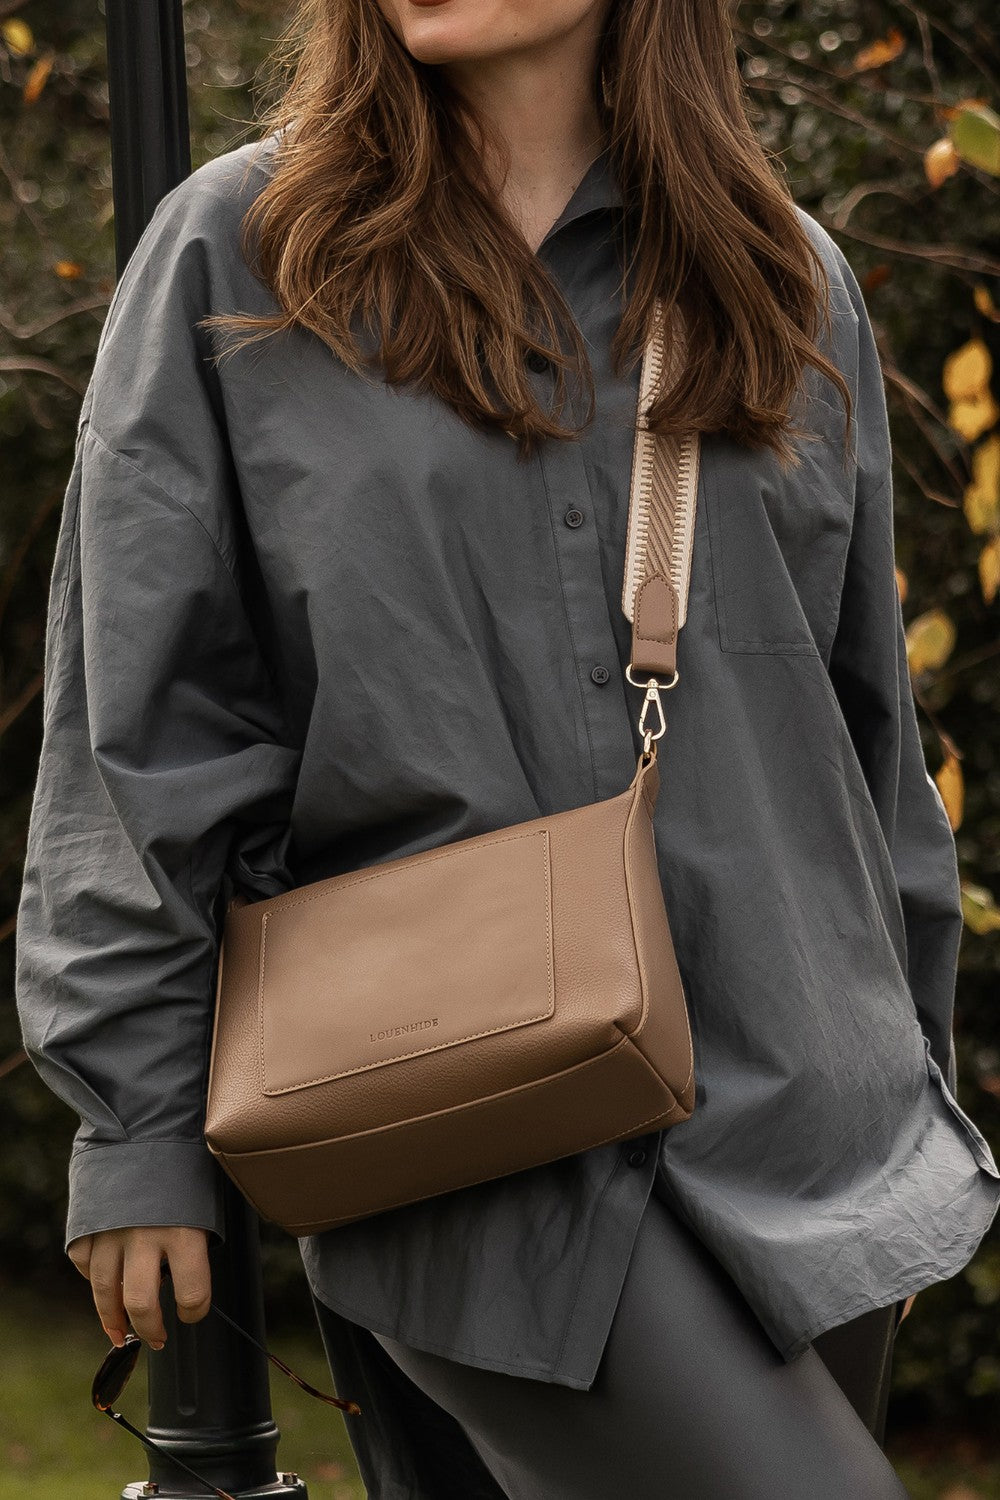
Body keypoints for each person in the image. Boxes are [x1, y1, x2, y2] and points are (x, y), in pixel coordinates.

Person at [14, 0, 1000, 1495]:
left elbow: (864, 740)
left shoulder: (787, 275)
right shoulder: (242, 253)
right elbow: (140, 726)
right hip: (460, 1126)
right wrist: (137, 1128)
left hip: (813, 1124)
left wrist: (915, 1106)